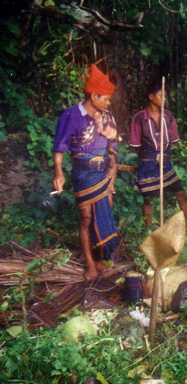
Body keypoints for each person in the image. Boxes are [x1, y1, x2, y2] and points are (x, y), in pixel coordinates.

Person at [52, 64, 119, 279]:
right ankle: (89, 262)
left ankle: (100, 258)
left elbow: (113, 151)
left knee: (102, 214)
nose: (108, 103)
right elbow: (59, 147)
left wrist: (112, 138)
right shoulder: (71, 115)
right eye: (106, 99)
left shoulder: (107, 117)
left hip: (103, 173)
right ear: (93, 95)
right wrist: (59, 173)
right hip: (83, 173)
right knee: (86, 217)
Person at [129, 83, 187, 240]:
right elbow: (136, 146)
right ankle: (150, 236)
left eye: (165, 95)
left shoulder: (168, 116)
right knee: (148, 200)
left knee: (181, 194)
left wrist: (162, 156)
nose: (164, 99)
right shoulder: (139, 119)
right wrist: (151, 156)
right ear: (151, 97)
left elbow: (172, 140)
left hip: (166, 164)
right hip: (148, 165)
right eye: (161, 95)